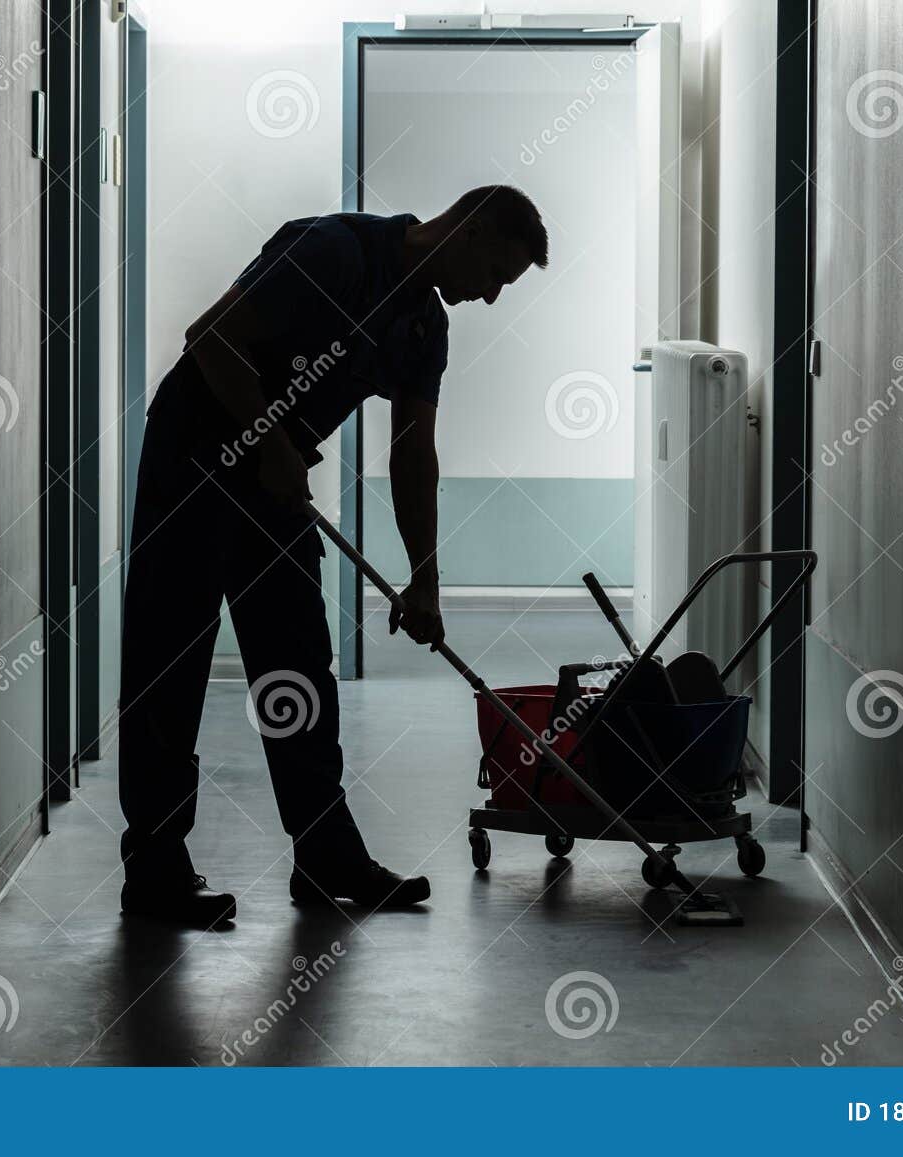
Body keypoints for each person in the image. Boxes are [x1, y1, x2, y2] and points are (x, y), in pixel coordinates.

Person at [118, 185, 549, 928]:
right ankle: (154, 872)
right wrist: (268, 439)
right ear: (471, 229)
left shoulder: (424, 327)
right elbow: (210, 336)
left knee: (297, 666)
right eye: (496, 276)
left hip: (272, 481)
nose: (489, 297)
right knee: (169, 664)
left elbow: (415, 454)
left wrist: (425, 581)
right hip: (192, 456)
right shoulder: (337, 251)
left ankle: (326, 856)